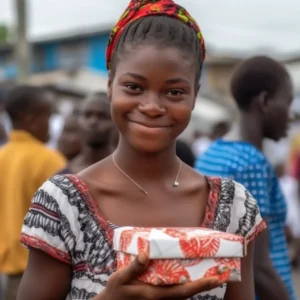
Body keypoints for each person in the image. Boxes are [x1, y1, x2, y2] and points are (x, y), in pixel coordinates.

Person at [18, 1, 265, 299]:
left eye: (174, 92)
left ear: (195, 96)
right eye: (134, 87)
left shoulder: (235, 208)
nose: (151, 107)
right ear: (110, 86)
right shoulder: (63, 204)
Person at [195, 56, 296, 300]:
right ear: (265, 101)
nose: (291, 116)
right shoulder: (251, 162)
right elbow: (259, 267)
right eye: (288, 103)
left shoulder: (212, 153)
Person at [0, 85, 66, 300]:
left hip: (7, 273)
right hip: (42, 274)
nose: (51, 125)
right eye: (47, 116)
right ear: (28, 119)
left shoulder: (2, 156)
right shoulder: (49, 160)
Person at [57, 92, 115, 174]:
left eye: (102, 116)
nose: (93, 122)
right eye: (87, 115)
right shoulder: (64, 173)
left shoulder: (125, 170)